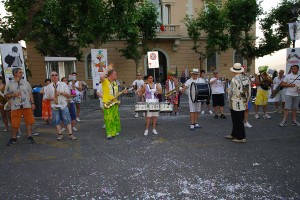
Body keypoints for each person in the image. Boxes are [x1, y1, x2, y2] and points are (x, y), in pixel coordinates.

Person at [4, 68, 36, 145]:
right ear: (15, 73)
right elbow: (6, 95)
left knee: (29, 121)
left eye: (22, 72)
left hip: (26, 105)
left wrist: (33, 103)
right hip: (15, 106)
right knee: (15, 123)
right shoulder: (9, 84)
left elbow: (30, 93)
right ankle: (14, 138)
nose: (22, 73)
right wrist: (14, 94)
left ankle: (29, 136)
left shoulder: (26, 83)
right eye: (20, 72)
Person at [43, 71, 77, 140]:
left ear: (58, 76)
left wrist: (61, 93)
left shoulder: (63, 84)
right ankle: (60, 134)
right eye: (52, 75)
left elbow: (68, 95)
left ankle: (70, 134)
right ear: (51, 77)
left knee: (67, 118)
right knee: (56, 120)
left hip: (63, 104)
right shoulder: (48, 87)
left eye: (56, 75)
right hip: (54, 106)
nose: (54, 76)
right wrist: (52, 98)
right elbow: (46, 98)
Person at [226, 63, 251, 143]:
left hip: (235, 103)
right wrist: (247, 101)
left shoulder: (234, 79)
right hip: (243, 101)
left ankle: (241, 137)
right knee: (237, 119)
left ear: (234, 71)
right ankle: (234, 134)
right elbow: (248, 91)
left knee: (237, 120)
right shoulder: (246, 78)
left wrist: (227, 90)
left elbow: (231, 92)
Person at [100, 65, 122, 139]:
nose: (116, 76)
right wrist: (107, 70)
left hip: (115, 102)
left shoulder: (115, 83)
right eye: (115, 74)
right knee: (108, 118)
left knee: (115, 117)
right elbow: (101, 77)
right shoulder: (105, 81)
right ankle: (109, 133)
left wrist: (122, 92)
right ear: (111, 75)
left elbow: (116, 93)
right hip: (107, 103)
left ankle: (114, 131)